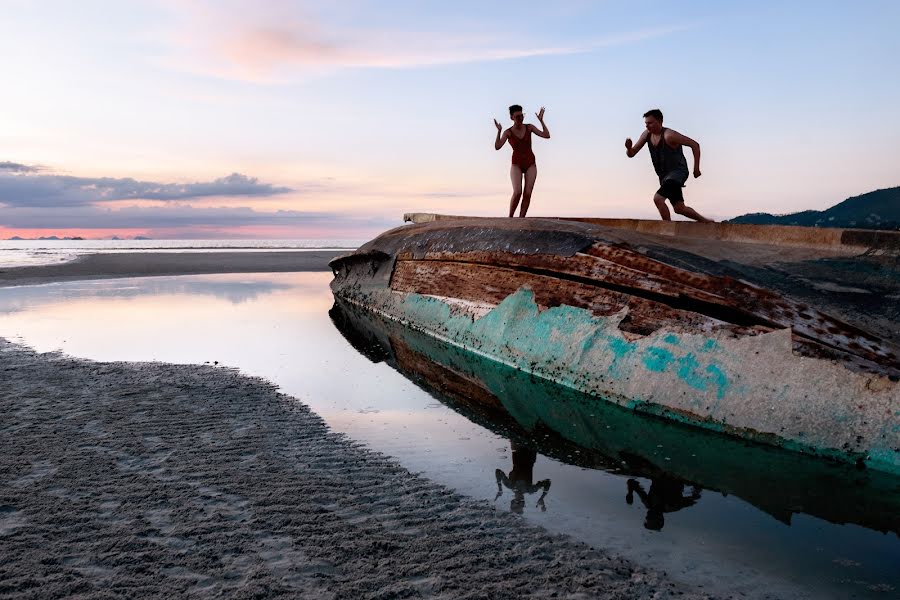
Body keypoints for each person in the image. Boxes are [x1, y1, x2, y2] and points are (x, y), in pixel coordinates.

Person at [625, 109, 713, 222]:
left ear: (660, 121)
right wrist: (628, 148)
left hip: (678, 173)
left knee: (658, 199)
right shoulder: (646, 135)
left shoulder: (669, 135)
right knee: (679, 208)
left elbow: (695, 145)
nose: (647, 126)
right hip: (664, 176)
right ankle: (706, 221)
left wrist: (696, 168)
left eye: (650, 123)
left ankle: (667, 227)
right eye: (646, 123)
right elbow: (632, 154)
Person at [494, 104, 550, 217]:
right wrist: (499, 131)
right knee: (517, 192)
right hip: (516, 164)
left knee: (527, 193)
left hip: (530, 163)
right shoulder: (508, 132)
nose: (520, 118)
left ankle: (521, 219)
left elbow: (546, 135)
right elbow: (497, 146)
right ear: (512, 118)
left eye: (521, 115)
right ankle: (510, 218)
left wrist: (541, 121)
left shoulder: (529, 127)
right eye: (517, 116)